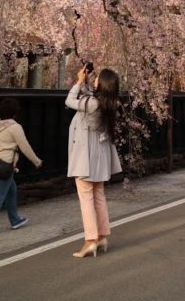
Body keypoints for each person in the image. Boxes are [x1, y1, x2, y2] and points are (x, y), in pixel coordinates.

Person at [66, 63, 124, 258]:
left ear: (103, 84)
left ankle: (90, 239)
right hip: (100, 156)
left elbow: (70, 101)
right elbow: (90, 96)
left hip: (86, 157)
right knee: (98, 195)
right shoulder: (108, 103)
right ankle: (101, 235)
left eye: (98, 77)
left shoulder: (92, 104)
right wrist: (85, 82)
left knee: (86, 198)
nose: (95, 79)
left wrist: (78, 82)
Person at [0, 97, 43, 236]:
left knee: (11, 189)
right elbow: (25, 147)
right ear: (15, 112)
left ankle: (15, 219)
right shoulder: (15, 128)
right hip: (5, 166)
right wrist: (36, 161)